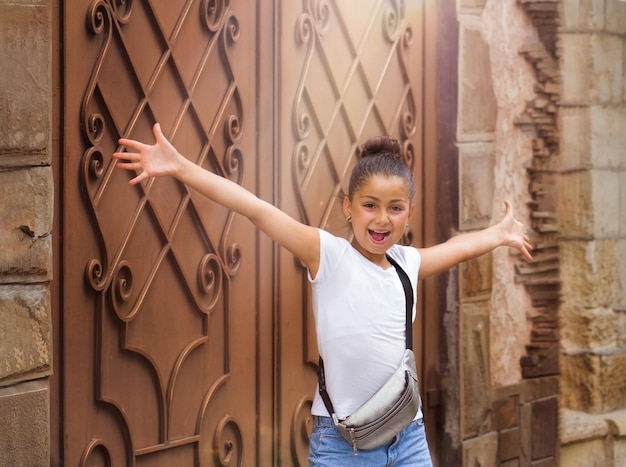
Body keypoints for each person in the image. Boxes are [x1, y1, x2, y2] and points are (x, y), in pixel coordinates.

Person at [113, 123, 533, 466]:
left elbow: (457, 248)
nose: (382, 218)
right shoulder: (327, 255)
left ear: (410, 212)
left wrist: (499, 233)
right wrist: (181, 166)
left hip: (408, 438)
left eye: (396, 207)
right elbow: (255, 208)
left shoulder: (407, 264)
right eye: (370, 205)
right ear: (348, 206)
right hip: (343, 445)